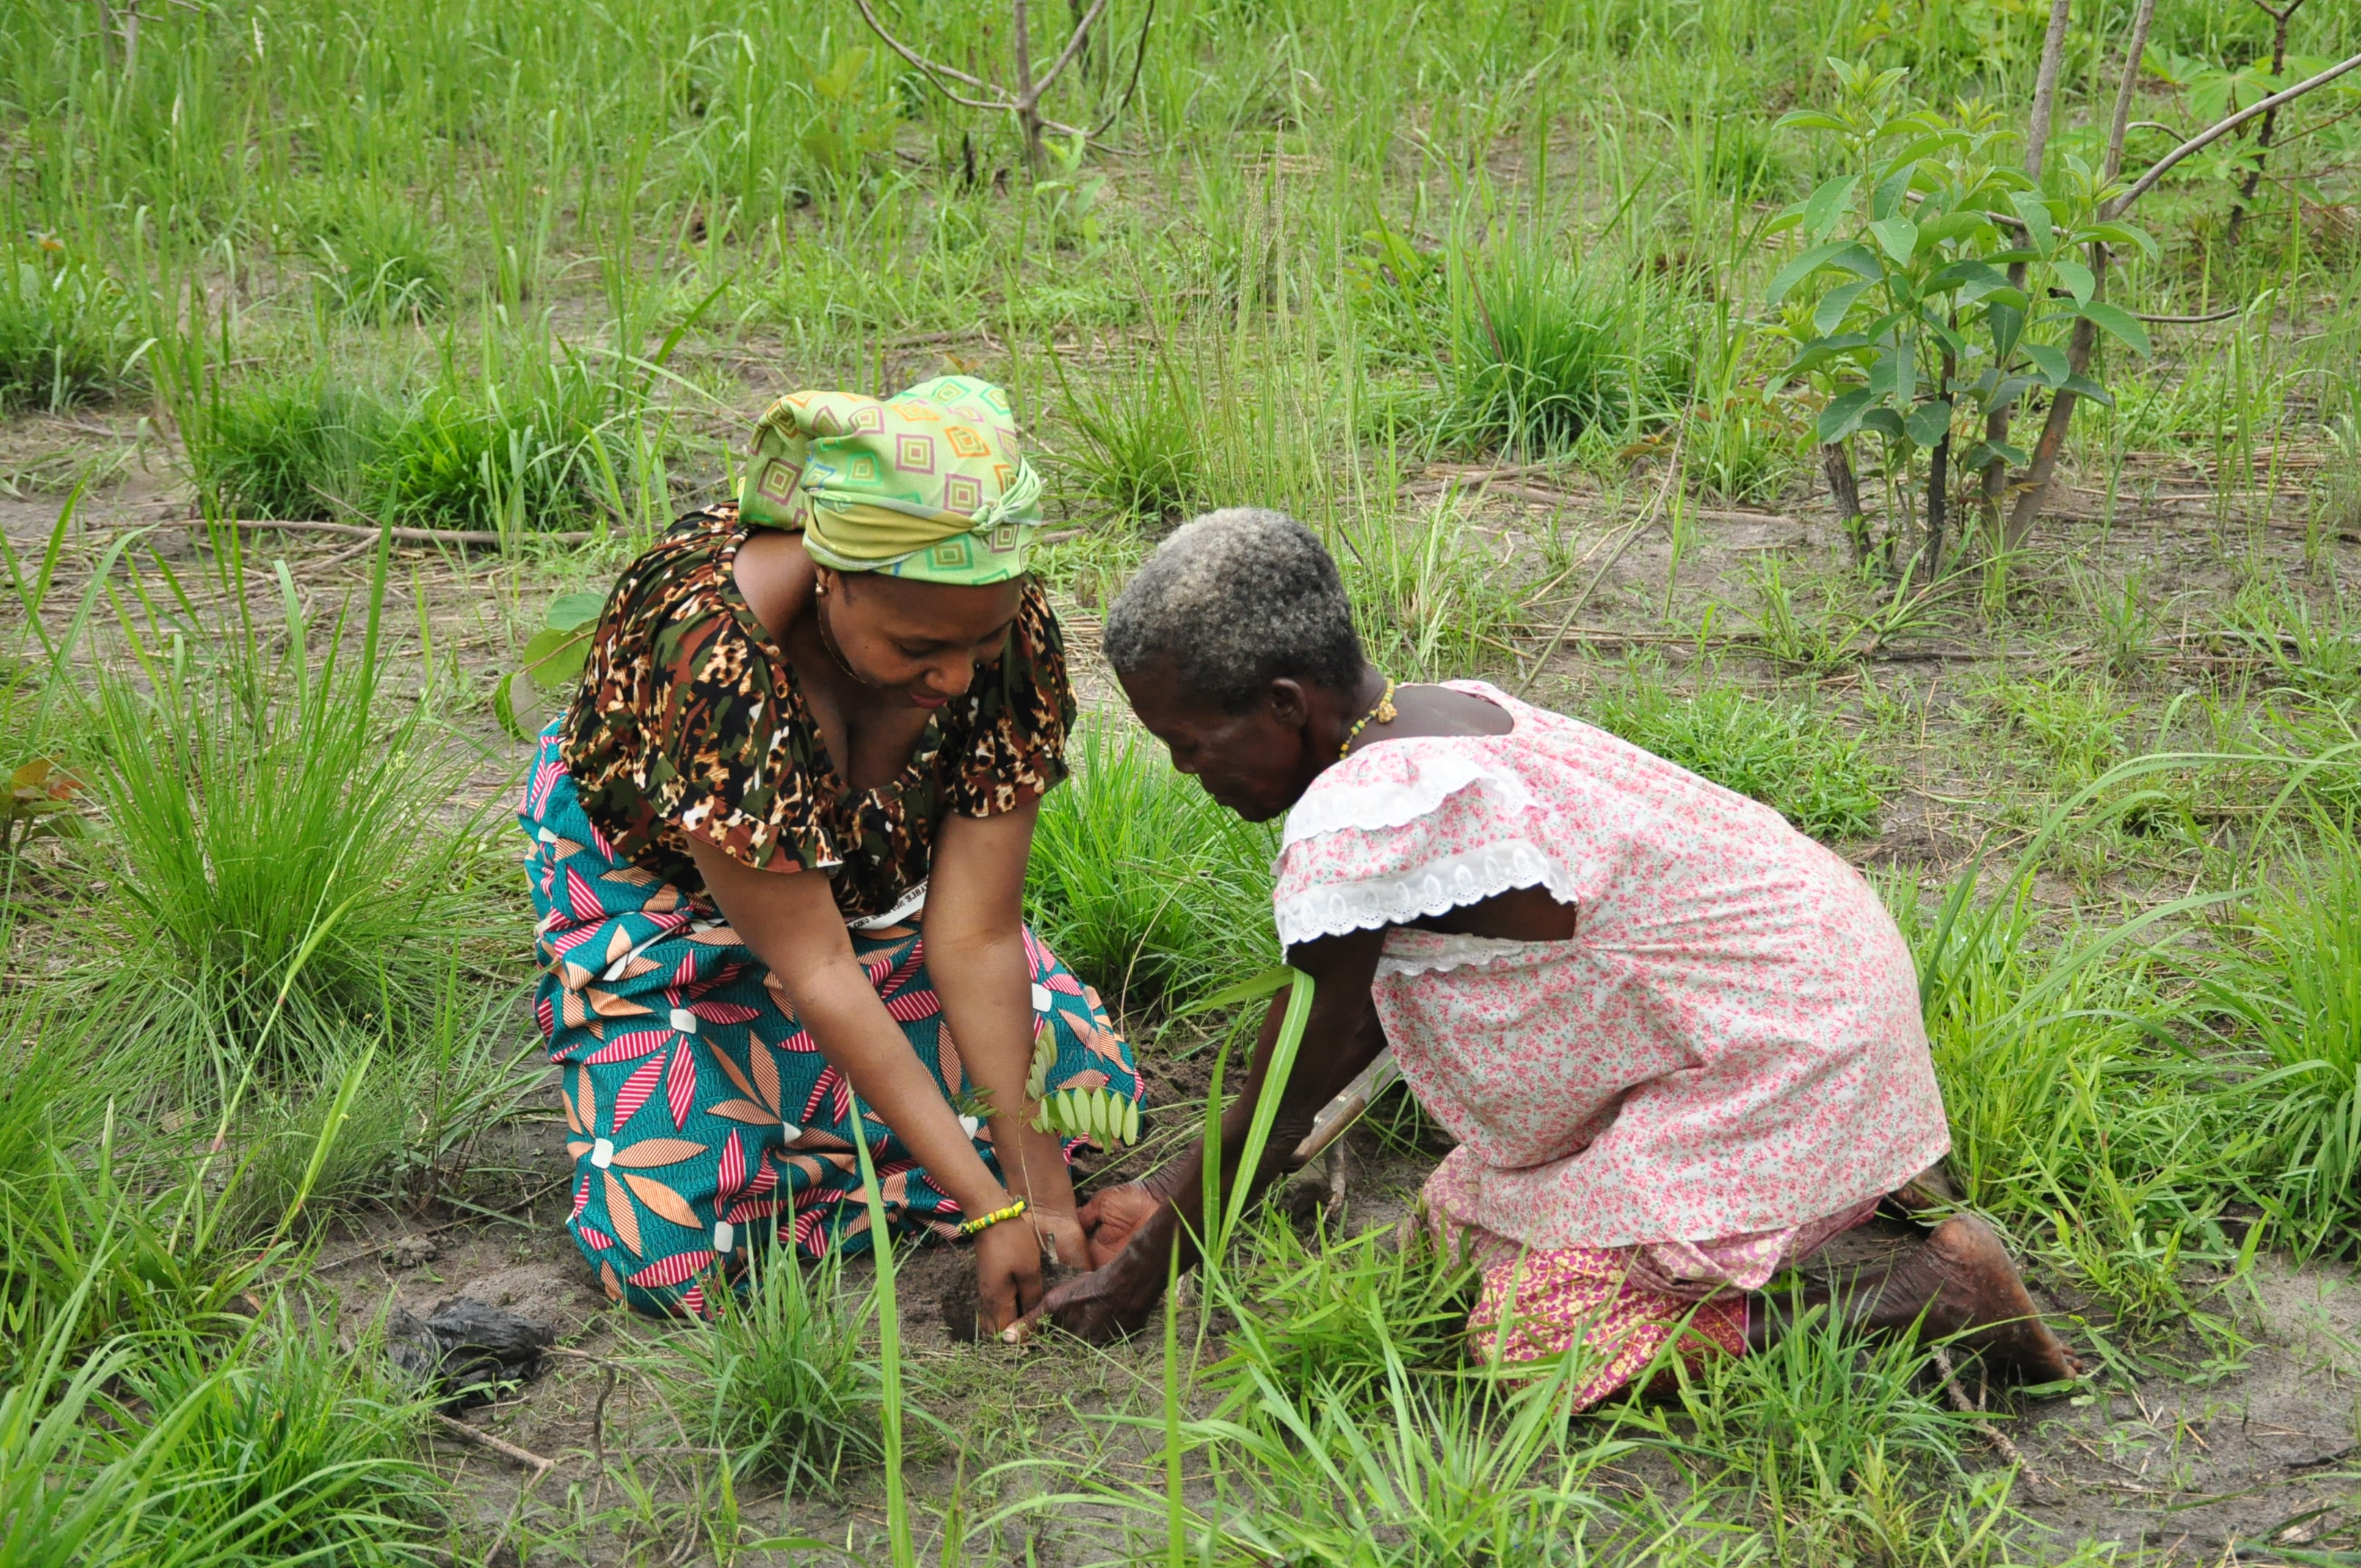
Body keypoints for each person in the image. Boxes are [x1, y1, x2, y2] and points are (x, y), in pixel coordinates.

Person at [1035, 509, 2078, 1405]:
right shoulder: (1441, 721)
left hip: (1785, 1049)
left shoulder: (1362, 822)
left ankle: (1930, 1301)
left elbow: (1290, 1087)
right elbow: (1348, 1042)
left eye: (1189, 743)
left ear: (1283, 706)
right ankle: (1852, 1189)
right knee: (1454, 1239)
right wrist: (1168, 1210)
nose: (1185, 771)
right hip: (1812, 985)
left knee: (1538, 1343)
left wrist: (1140, 1276)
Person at [519, 378, 1142, 1332]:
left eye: (982, 640)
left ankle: (850, 1115)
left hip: (868, 900)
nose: (957, 676)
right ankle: (833, 1102)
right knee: (673, 1253)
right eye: (919, 646)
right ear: (830, 575)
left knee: (1089, 1095)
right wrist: (992, 1204)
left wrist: (1038, 1190)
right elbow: (814, 965)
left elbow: (975, 932)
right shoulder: (710, 656)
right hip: (669, 902)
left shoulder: (996, 629)